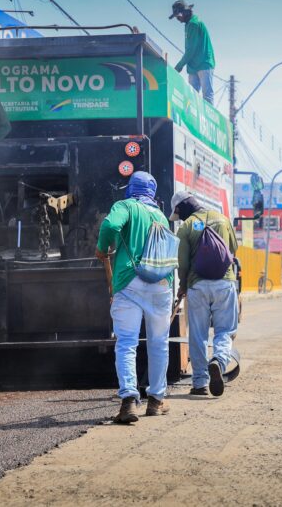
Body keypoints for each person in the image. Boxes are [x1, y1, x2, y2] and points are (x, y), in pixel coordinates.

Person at [96, 172, 173, 423]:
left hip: (129, 282)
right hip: (161, 284)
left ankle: (129, 400)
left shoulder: (126, 206)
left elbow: (110, 226)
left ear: (131, 189)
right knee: (159, 343)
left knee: (127, 342)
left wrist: (102, 248)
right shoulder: (161, 216)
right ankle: (156, 401)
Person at [170, 191, 239, 397]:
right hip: (224, 284)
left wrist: (182, 285)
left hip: (197, 286)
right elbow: (232, 249)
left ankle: (200, 382)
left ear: (182, 208)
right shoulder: (223, 219)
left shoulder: (186, 226)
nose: (179, 218)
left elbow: (182, 263)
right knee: (224, 330)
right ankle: (219, 360)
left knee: (198, 335)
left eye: (178, 214)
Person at [169, 0, 216, 104]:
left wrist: (178, 67)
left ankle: (207, 115)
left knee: (207, 96)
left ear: (185, 13)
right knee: (191, 98)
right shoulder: (188, 24)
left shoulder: (194, 24)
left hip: (204, 63)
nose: (177, 19)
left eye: (178, 16)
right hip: (193, 65)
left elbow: (190, 50)